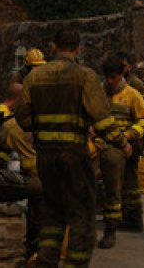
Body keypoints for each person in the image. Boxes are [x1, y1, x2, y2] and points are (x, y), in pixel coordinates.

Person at [16, 29, 130, 268]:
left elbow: (22, 119)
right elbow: (102, 119)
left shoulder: (34, 77)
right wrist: (122, 143)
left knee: (53, 217)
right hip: (74, 156)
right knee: (81, 218)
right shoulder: (85, 76)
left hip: (45, 157)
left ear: (53, 47)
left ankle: (46, 263)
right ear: (77, 49)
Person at [96, 54, 144, 248]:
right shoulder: (98, 93)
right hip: (99, 144)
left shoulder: (133, 95)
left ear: (122, 74)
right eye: (107, 77)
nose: (110, 82)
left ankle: (111, 229)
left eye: (114, 77)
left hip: (123, 147)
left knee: (116, 187)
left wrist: (127, 136)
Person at [0, 80, 41, 262]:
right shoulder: (45, 122)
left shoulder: (11, 125)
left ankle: (31, 250)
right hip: (46, 176)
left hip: (29, 177)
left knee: (33, 214)